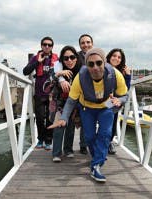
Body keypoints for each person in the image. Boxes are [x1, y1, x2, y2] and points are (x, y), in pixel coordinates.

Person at [48, 48, 128, 182]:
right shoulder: (81, 77)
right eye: (91, 64)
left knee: (105, 134)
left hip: (106, 106)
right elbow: (71, 100)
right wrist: (63, 118)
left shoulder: (115, 74)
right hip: (87, 107)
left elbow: (125, 95)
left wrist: (119, 100)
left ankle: (96, 165)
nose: (95, 67)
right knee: (89, 136)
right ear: (86, 65)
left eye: (98, 63)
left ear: (104, 62)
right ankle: (99, 155)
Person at [23, 36, 58, 150]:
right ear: (41, 46)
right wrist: (37, 63)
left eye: (49, 45)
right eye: (45, 44)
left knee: (50, 118)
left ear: (52, 47)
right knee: (39, 117)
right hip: (39, 93)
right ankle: (40, 139)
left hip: (52, 94)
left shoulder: (56, 58)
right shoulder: (35, 58)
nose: (47, 46)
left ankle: (48, 140)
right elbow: (25, 71)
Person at [50, 46, 81, 162]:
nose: (69, 60)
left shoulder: (80, 70)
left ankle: (68, 150)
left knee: (70, 127)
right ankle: (56, 153)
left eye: (72, 57)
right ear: (62, 60)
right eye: (66, 58)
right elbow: (48, 82)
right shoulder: (58, 70)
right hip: (59, 103)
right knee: (59, 127)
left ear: (76, 58)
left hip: (74, 103)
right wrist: (59, 75)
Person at [106, 48, 131, 154]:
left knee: (113, 123)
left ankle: (109, 143)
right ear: (109, 56)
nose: (116, 58)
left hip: (115, 102)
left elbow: (126, 90)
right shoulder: (103, 67)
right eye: (114, 56)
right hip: (102, 100)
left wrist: (128, 76)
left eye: (119, 57)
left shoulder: (122, 72)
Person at [77, 34, 93, 154]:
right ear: (80, 45)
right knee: (82, 120)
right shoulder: (75, 57)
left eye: (88, 42)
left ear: (92, 43)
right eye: (83, 43)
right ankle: (82, 145)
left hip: (96, 93)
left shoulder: (98, 55)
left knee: (92, 120)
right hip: (79, 92)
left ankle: (94, 144)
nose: (85, 45)